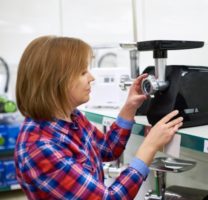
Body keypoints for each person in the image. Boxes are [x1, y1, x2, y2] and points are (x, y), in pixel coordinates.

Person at [14, 36, 183, 200]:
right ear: (55, 81)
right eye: (82, 72)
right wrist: (150, 146)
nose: (92, 78)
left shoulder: (72, 117)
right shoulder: (41, 148)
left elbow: (108, 149)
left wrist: (130, 107)